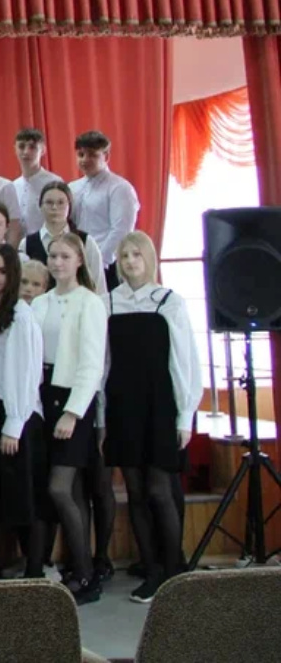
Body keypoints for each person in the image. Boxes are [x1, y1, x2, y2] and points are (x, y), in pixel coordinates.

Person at [107, 231, 200, 603]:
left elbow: (184, 360)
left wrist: (185, 415)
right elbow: (104, 363)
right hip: (123, 406)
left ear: (149, 258)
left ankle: (174, 570)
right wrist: (102, 416)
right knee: (135, 491)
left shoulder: (168, 301)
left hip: (160, 405)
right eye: (125, 255)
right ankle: (152, 569)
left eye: (137, 254)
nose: (131, 261)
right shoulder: (109, 302)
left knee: (160, 490)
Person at [31, 232, 108, 604]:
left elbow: (91, 364)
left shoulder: (89, 302)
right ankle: (77, 570)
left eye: (65, 256)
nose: (58, 262)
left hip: (72, 399)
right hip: (44, 396)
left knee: (60, 488)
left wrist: (73, 412)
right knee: (71, 492)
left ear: (79, 260)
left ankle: (88, 574)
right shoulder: (40, 302)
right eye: (53, 256)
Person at [0, 244, 48, 580]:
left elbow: (26, 373)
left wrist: (14, 422)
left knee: (25, 498)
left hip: (19, 414)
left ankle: (35, 572)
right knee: (5, 497)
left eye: (2, 272)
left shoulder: (21, 315)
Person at [69, 131, 140, 289]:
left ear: (106, 156)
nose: (85, 160)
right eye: (81, 155)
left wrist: (100, 261)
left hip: (108, 265)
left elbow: (121, 230)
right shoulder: (72, 188)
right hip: (77, 264)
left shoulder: (120, 188)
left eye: (92, 155)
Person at [25, 181, 107, 299]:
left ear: (70, 206)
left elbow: (99, 286)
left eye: (61, 203)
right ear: (40, 206)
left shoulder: (86, 241)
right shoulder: (27, 244)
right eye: (49, 202)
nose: (54, 207)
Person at [13, 128, 61, 234]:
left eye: (32, 147)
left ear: (43, 150)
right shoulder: (13, 186)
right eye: (21, 146)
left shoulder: (54, 183)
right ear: (15, 149)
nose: (26, 152)